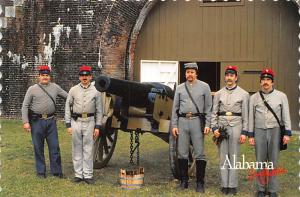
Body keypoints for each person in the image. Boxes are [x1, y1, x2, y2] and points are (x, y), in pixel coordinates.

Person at [248, 68, 291, 197]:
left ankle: (272, 190)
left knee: (273, 161)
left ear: (272, 82)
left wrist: (287, 133)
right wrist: (251, 135)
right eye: (263, 80)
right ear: (260, 82)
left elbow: (286, 116)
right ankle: (261, 189)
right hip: (259, 130)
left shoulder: (281, 96)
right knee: (260, 161)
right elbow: (251, 117)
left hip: (275, 131)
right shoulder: (254, 97)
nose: (265, 82)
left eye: (268, 80)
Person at [171, 62, 212, 193]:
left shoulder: (205, 87)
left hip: (196, 122)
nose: (190, 74)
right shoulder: (180, 88)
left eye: (192, 72)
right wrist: (174, 125)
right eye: (188, 72)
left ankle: (200, 183)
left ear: (196, 73)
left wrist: (208, 124)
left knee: (200, 153)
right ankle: (184, 181)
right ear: (185, 74)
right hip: (183, 121)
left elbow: (208, 108)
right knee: (182, 153)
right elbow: (175, 108)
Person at [22, 65, 68, 178]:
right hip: (36, 121)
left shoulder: (55, 87)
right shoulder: (32, 89)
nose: (45, 77)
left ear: (50, 76)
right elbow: (25, 106)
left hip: (51, 121)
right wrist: (25, 122)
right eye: (43, 75)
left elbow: (68, 97)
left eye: (47, 75)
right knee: (38, 147)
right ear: (39, 76)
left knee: (54, 147)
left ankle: (56, 171)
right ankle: (41, 172)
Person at [211, 66, 249, 195]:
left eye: (232, 75)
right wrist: (214, 128)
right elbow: (213, 113)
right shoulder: (218, 94)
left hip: (236, 126)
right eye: (227, 75)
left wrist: (244, 132)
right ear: (225, 77)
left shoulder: (244, 94)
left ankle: (232, 185)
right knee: (223, 157)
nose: (229, 77)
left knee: (233, 157)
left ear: (236, 77)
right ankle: (224, 185)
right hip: (222, 127)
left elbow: (246, 115)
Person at [65, 65, 102, 184]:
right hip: (76, 122)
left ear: (91, 76)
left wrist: (97, 126)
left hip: (90, 122)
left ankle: (88, 175)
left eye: (87, 75)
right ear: (79, 77)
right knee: (76, 148)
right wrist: (68, 124)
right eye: (82, 75)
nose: (84, 77)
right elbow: (67, 107)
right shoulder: (73, 90)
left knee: (88, 149)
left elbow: (99, 110)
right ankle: (78, 174)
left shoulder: (96, 91)